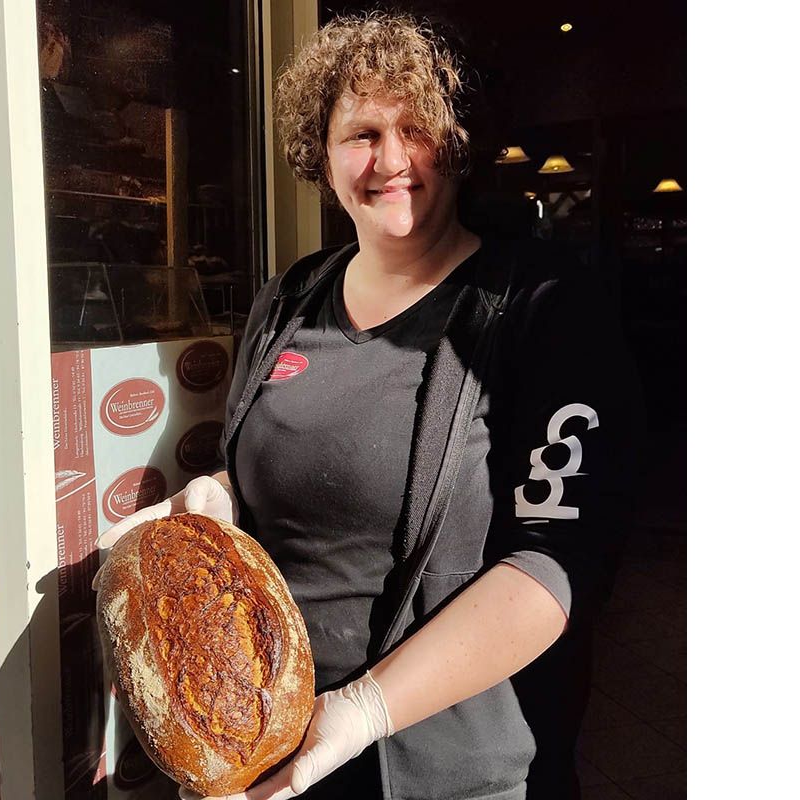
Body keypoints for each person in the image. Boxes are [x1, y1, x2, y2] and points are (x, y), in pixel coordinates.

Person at [97, 11, 642, 800]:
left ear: (457, 141)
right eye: (362, 134)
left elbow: (555, 566)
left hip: (448, 770)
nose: (392, 159)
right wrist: (216, 497)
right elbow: (272, 470)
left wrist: (362, 709)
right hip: (272, 752)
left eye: (417, 127)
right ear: (319, 156)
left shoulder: (539, 308)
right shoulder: (289, 299)